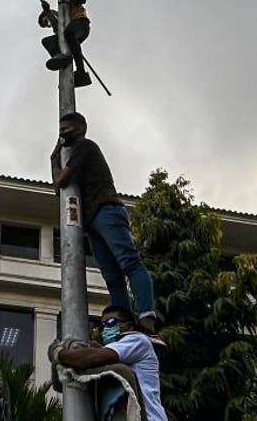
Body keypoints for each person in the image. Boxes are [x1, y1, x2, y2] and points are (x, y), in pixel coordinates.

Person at [51, 111, 162, 343]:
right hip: (93, 223)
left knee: (130, 263)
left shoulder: (85, 146)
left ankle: (147, 318)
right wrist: (55, 159)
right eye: (60, 129)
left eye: (66, 128)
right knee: (112, 277)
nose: (62, 133)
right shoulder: (73, 153)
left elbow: (62, 180)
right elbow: (60, 190)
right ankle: (124, 323)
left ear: (80, 128)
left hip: (107, 211)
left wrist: (55, 158)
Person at [55, 305, 168, 421]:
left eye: (110, 322)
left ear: (129, 326)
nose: (105, 329)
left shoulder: (137, 340)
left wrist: (59, 354)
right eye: (101, 326)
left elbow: (90, 359)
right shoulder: (113, 353)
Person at [39, 0, 92, 88]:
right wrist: (47, 11)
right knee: (47, 41)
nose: (49, 24)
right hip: (71, 33)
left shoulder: (70, 4)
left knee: (68, 34)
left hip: (80, 24)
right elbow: (56, 27)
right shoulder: (61, 23)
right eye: (47, 25)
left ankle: (80, 72)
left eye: (47, 21)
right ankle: (63, 58)